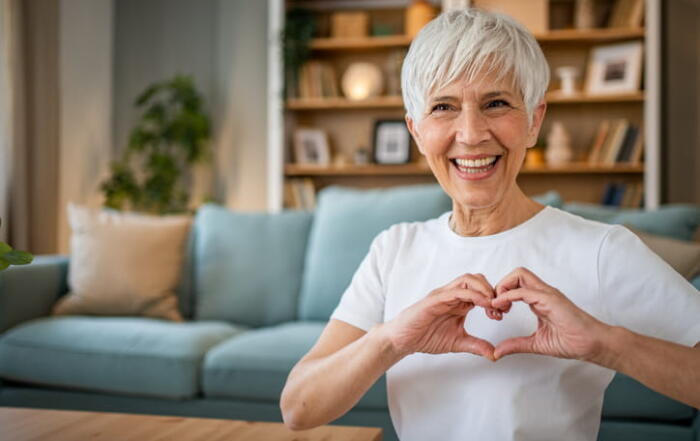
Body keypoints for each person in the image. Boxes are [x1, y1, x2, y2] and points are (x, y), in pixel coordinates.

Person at [280, 9, 700, 441]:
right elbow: (298, 407)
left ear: (534, 120)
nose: (471, 132)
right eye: (443, 107)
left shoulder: (602, 250)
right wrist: (391, 341)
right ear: (417, 131)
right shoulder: (394, 250)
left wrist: (606, 344)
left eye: (496, 103)